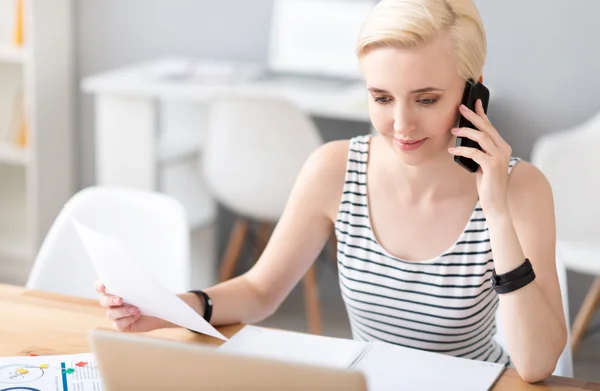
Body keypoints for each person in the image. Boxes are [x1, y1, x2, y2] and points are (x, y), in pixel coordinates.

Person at [96, 0, 566, 383]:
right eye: (381, 98)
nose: (400, 125)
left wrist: (497, 212)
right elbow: (260, 291)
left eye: (426, 99)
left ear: (473, 95)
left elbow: (536, 364)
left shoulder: (521, 188)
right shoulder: (335, 168)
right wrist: (165, 308)